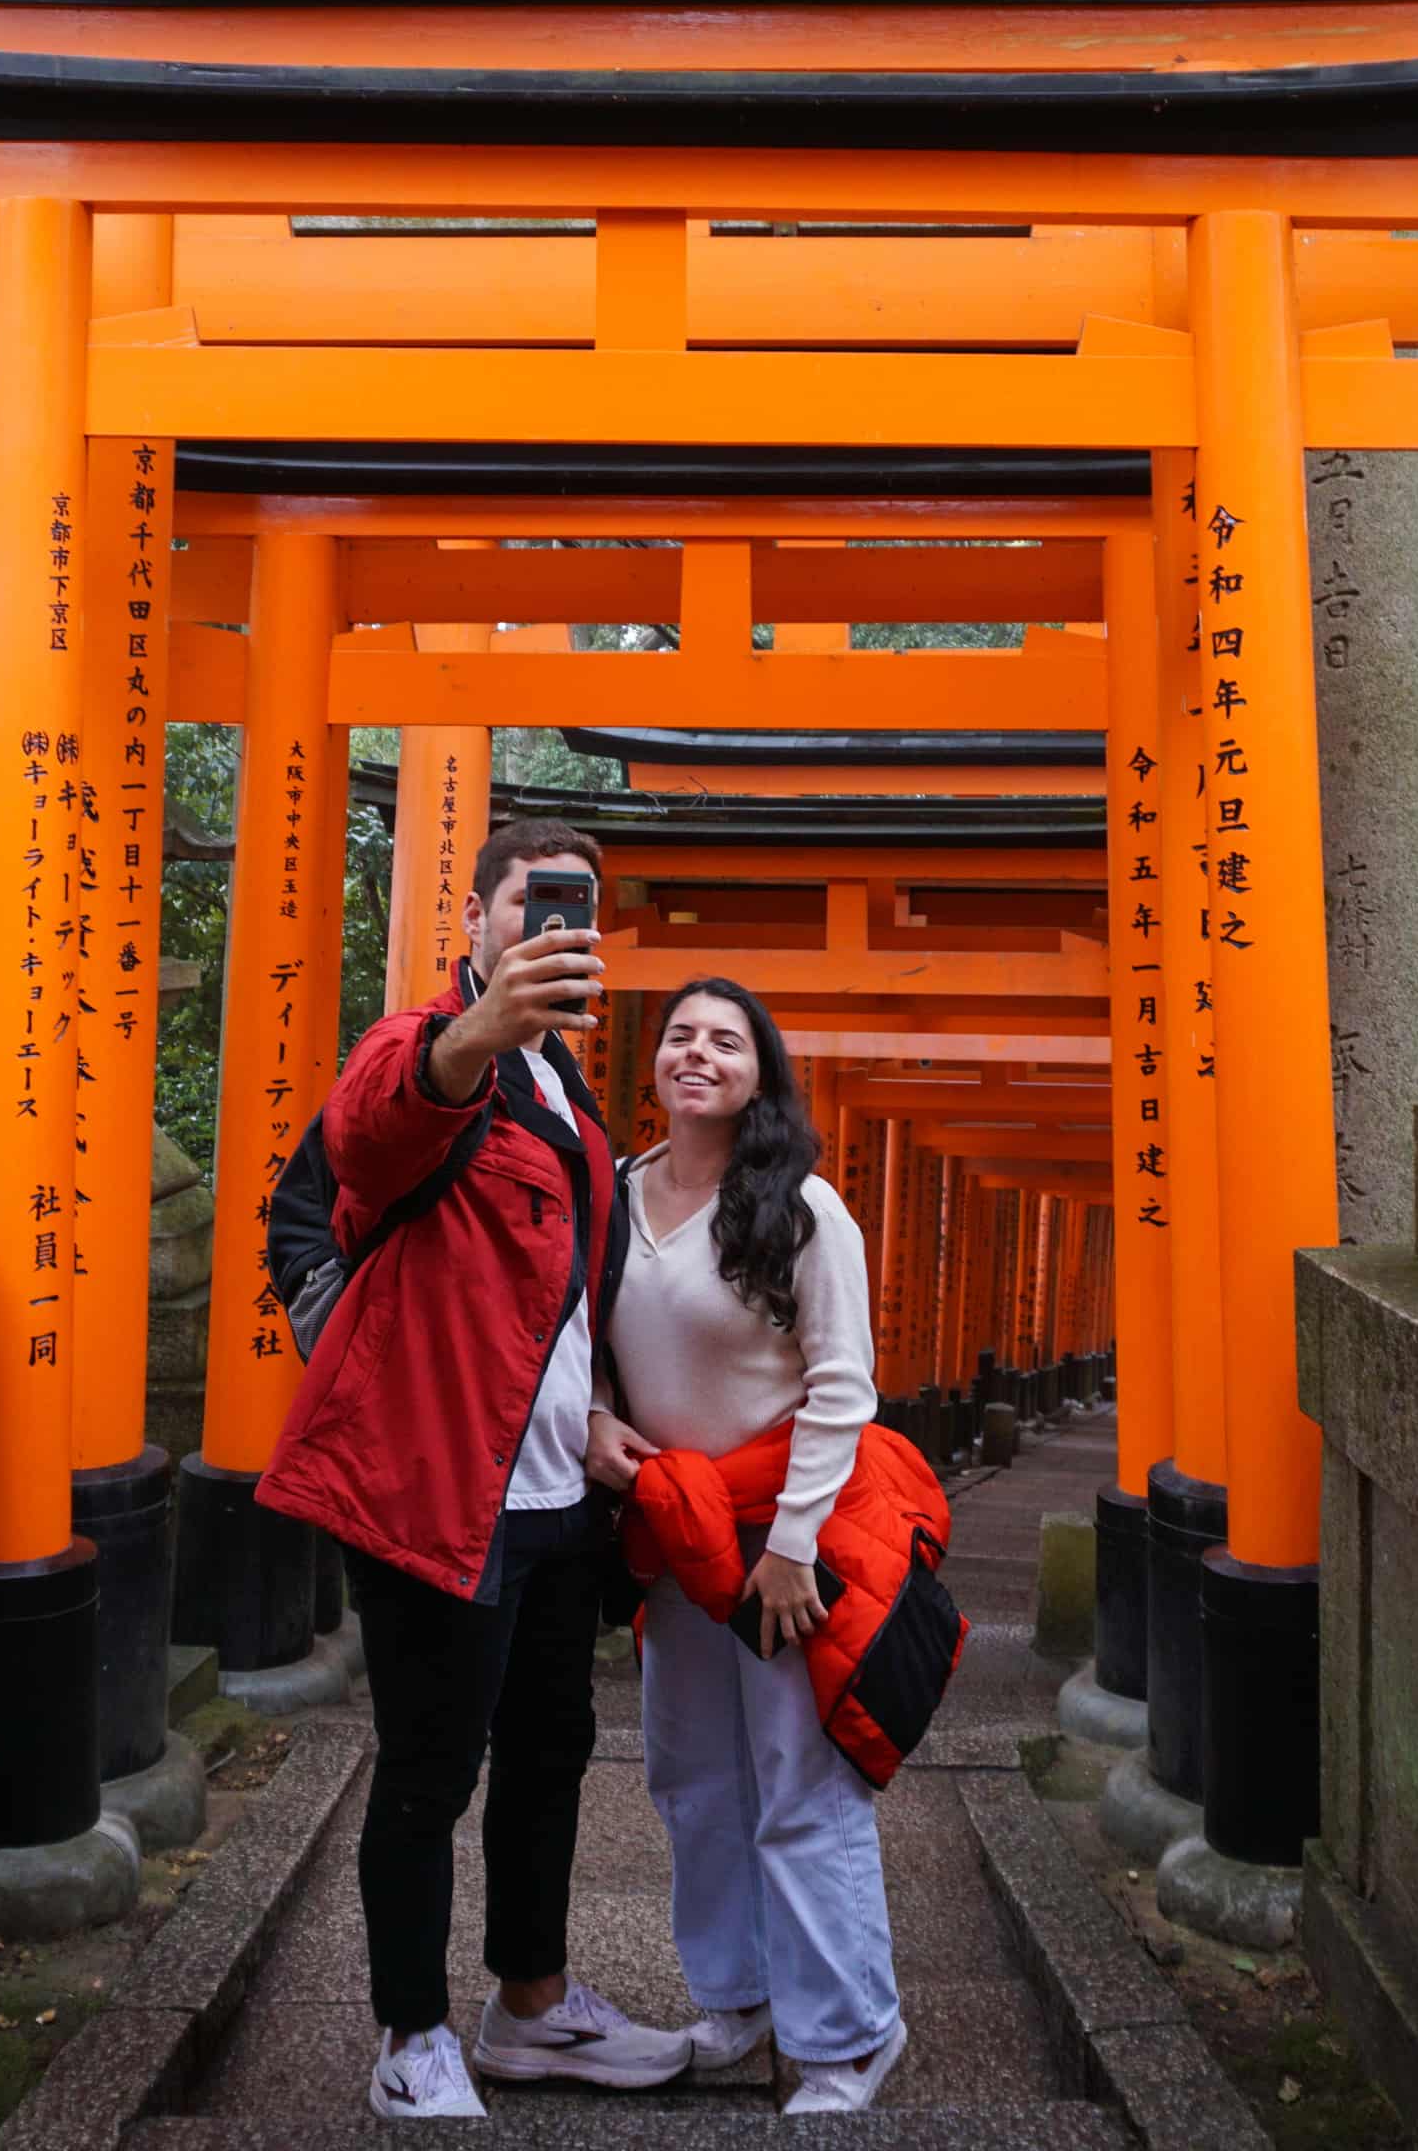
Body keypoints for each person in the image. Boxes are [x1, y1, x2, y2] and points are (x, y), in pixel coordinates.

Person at [255, 819, 696, 2120]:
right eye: (534, 903)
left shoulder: (571, 1090)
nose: (558, 927)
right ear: (475, 920)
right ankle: (409, 2035)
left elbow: (556, 1305)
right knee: (429, 1768)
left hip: (556, 1490)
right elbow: (383, 1129)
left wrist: (601, 1413)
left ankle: (533, 2005)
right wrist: (475, 1035)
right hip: (437, 1489)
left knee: (552, 1749)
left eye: (580, 911)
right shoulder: (434, 1050)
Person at [585, 976, 912, 2115]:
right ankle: (737, 1993)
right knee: (689, 1774)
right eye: (681, 1035)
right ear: (656, 1063)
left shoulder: (806, 1207)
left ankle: (848, 2034)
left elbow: (843, 1388)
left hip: (782, 1539)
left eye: (727, 1040)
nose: (698, 1053)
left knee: (798, 1780)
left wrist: (792, 1545)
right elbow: (578, 1341)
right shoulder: (615, 1193)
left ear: (759, 1074)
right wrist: (589, 1415)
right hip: (674, 1532)